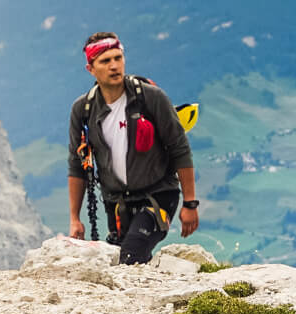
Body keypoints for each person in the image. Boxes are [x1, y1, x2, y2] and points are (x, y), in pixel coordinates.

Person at [66, 31, 199, 264]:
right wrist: (75, 218)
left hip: (158, 196)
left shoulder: (151, 98)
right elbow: (77, 165)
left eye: (118, 58)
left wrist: (190, 203)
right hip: (117, 205)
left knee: (129, 258)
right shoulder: (83, 110)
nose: (114, 66)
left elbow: (180, 148)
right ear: (91, 69)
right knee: (124, 261)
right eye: (105, 61)